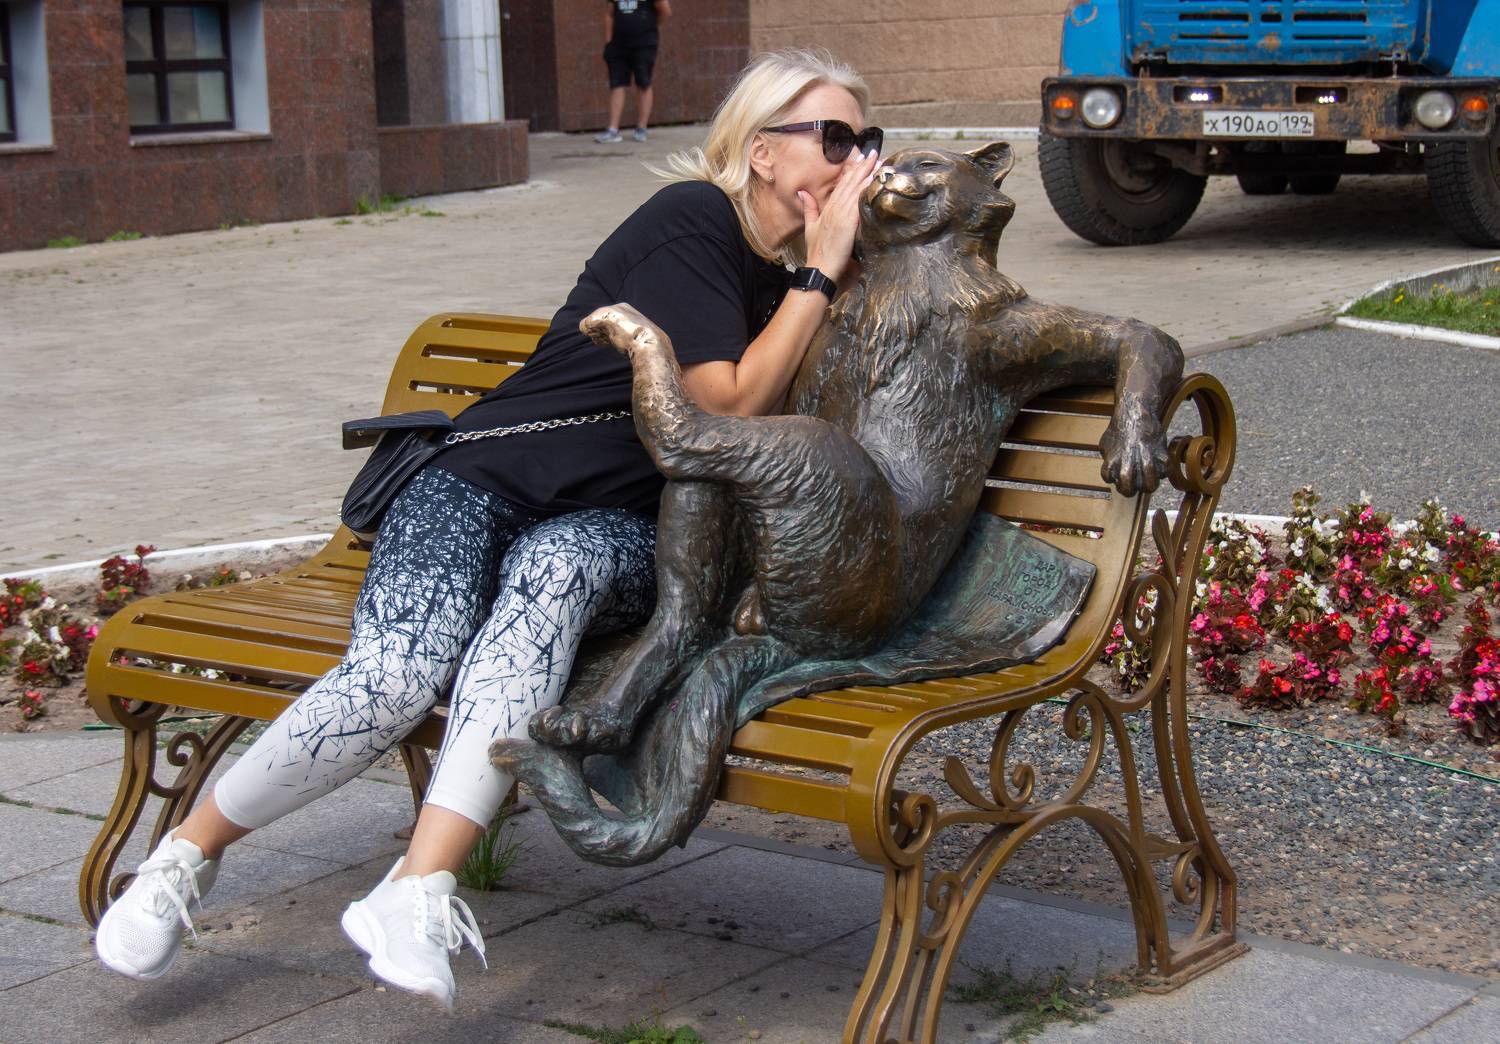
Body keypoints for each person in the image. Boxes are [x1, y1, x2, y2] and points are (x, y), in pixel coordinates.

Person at [92, 47, 883, 1010]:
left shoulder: (809, 280)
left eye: (867, 142)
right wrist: (823, 273)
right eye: (834, 138)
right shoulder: (693, 221)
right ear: (762, 152)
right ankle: (182, 860)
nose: (856, 162)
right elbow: (722, 405)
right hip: (482, 478)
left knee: (553, 582)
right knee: (399, 669)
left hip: (613, 526)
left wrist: (839, 270)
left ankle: (417, 890)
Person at [595, 0, 672, 143]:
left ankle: (641, 128)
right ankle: (613, 130)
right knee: (616, 83)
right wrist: (608, 42)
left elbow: (665, 11)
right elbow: (609, 15)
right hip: (618, 44)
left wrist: (648, 27)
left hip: (644, 43)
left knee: (643, 82)